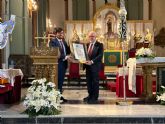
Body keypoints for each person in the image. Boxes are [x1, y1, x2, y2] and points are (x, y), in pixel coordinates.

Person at [49, 27, 71, 103]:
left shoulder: (64, 41)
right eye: (60, 33)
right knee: (57, 81)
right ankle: (55, 97)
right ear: (56, 34)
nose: (62, 34)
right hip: (57, 64)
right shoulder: (53, 42)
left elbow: (68, 50)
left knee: (61, 81)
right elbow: (54, 53)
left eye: (62, 33)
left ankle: (60, 96)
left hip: (63, 64)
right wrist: (65, 57)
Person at [83, 31, 104, 104]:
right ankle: (90, 95)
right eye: (90, 36)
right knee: (89, 82)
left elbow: (100, 56)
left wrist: (91, 61)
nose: (91, 37)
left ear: (95, 37)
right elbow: (84, 54)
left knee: (95, 82)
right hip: (87, 66)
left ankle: (95, 97)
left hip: (95, 66)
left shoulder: (99, 45)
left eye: (93, 36)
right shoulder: (87, 44)